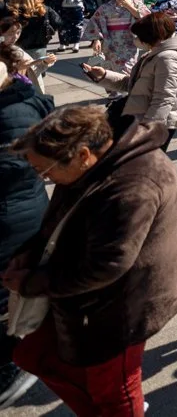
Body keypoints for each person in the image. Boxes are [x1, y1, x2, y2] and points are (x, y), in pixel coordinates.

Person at [7, 105, 177, 413]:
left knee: (113, 388)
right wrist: (31, 250)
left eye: (44, 171)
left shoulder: (133, 186)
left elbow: (107, 265)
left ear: (83, 155)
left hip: (124, 306)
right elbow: (60, 217)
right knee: (34, 356)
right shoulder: (93, 164)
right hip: (86, 296)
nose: (43, 178)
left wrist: (32, 283)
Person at [0, 45, 52, 406]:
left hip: (13, 217)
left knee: (9, 295)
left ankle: (12, 364)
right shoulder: (24, 98)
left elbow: (17, 167)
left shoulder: (12, 111)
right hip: (20, 211)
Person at [82, 11, 177, 140]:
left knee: (148, 159)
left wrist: (147, 129)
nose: (136, 40)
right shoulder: (155, 54)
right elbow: (134, 84)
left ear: (151, 37)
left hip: (159, 121)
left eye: (139, 36)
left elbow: (164, 98)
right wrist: (104, 75)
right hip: (145, 115)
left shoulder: (168, 59)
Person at [85, 0, 149, 74]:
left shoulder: (137, 4)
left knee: (127, 68)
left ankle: (126, 86)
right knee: (109, 71)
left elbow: (147, 18)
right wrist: (96, 39)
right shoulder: (106, 7)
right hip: (110, 42)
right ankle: (112, 88)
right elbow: (95, 22)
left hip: (129, 43)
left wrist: (129, 7)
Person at [8, 0, 59, 89]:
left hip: (17, 46)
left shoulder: (12, 11)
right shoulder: (45, 10)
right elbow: (58, 22)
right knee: (37, 74)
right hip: (39, 46)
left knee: (16, 74)